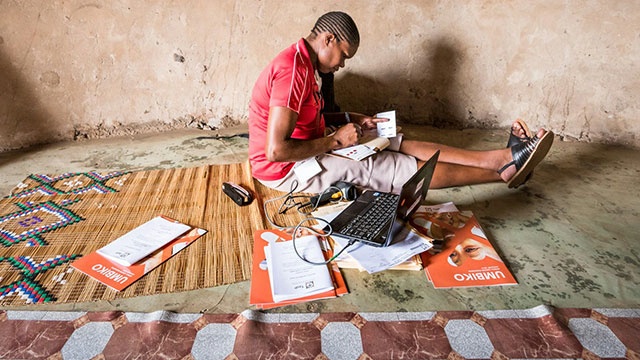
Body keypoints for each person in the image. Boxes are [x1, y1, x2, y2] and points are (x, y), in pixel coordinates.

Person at [248, 11, 553, 195]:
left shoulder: (308, 65)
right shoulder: (293, 71)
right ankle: (502, 172)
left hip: (312, 143)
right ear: (327, 39)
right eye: (343, 55)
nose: (342, 65)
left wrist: (354, 119)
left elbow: (314, 115)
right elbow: (276, 151)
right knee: (392, 165)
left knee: (392, 140)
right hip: (286, 171)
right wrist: (336, 140)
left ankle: (497, 158)